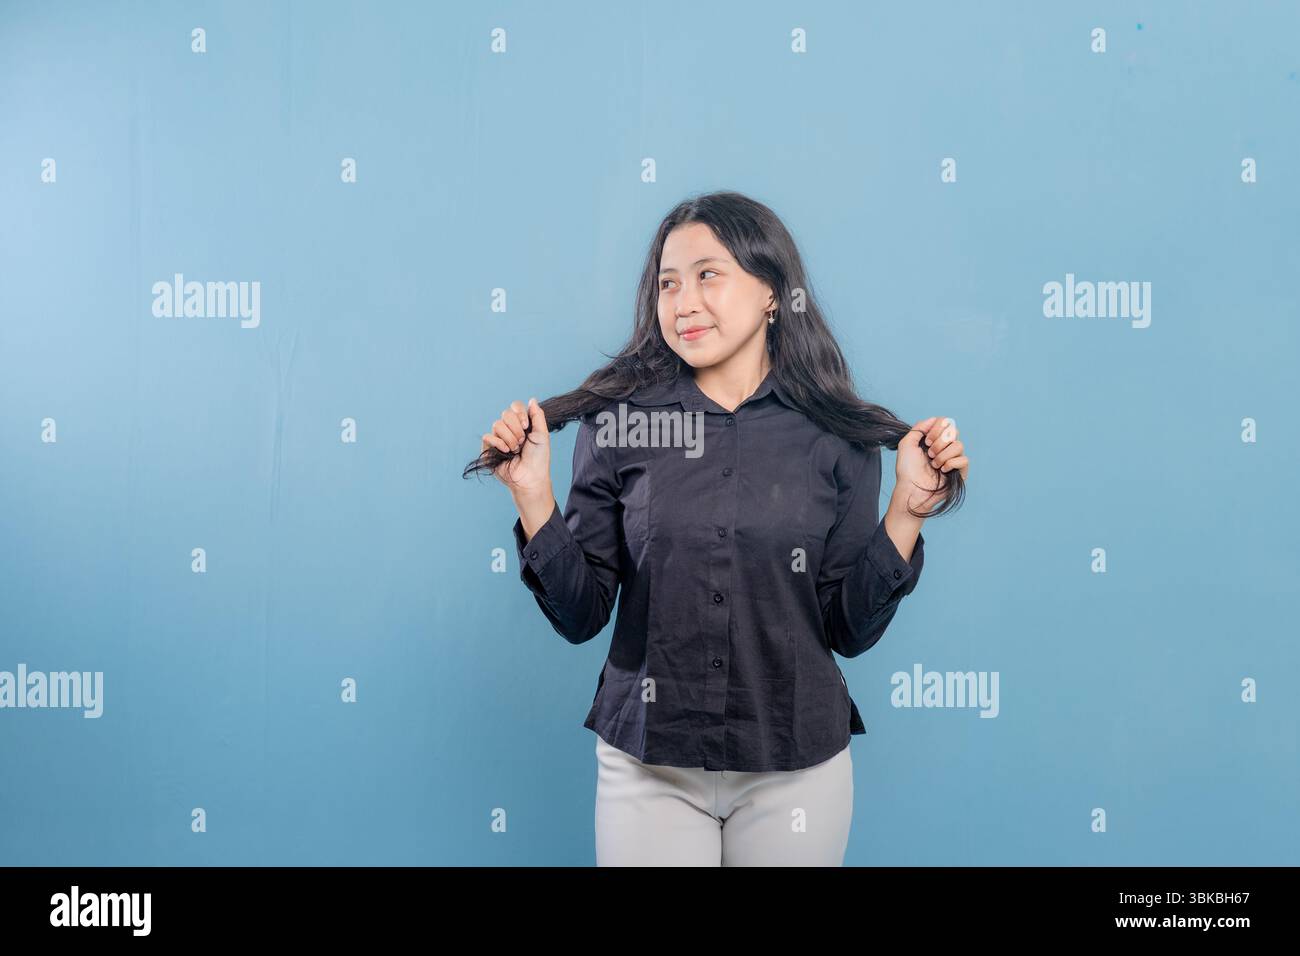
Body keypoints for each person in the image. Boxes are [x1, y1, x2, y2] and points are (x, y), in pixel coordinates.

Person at [465, 190, 971, 866]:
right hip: (651, 764)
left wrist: (905, 514)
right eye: (667, 284)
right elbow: (582, 615)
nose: (683, 302)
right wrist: (533, 498)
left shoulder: (839, 439)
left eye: (708, 275)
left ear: (771, 294)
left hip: (795, 766)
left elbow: (849, 631)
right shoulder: (617, 426)